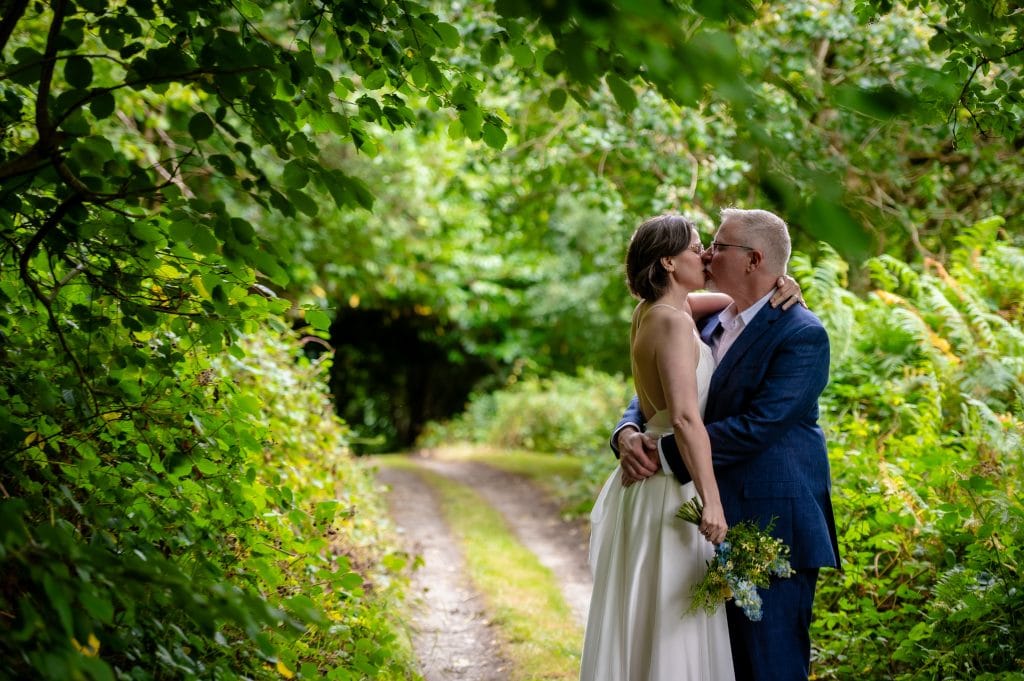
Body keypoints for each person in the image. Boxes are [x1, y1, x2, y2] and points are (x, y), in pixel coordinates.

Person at [612, 208, 841, 681]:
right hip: (700, 517)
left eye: (719, 245)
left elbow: (759, 425)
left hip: (770, 522)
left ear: (754, 259)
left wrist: (665, 452)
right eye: (705, 245)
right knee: (712, 663)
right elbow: (665, 388)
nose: (709, 253)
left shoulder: (802, 334)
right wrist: (629, 431)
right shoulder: (707, 316)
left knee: (769, 664)